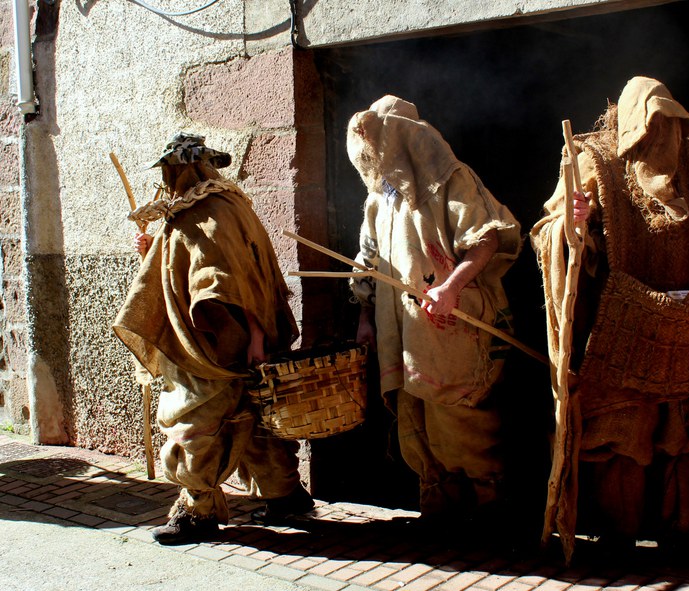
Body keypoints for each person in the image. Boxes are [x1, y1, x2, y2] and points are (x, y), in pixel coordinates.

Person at [530, 77, 689, 559]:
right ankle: (618, 539)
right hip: (625, 332)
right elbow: (548, 232)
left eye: (671, 127)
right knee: (620, 435)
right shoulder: (596, 164)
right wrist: (573, 226)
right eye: (651, 128)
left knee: (686, 433)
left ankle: (684, 536)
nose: (662, 139)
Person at [113, 133, 313, 545]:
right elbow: (186, 268)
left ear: (181, 169)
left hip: (214, 347)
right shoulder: (220, 205)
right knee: (256, 419)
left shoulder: (208, 210)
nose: (168, 179)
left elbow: (233, 280)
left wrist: (254, 337)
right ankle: (286, 496)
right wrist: (153, 249)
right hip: (229, 341)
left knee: (193, 424)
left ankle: (195, 513)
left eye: (171, 170)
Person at [346, 95, 523, 536]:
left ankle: (490, 508)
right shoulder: (379, 198)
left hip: (451, 319)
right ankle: (439, 502)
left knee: (460, 412)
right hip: (400, 328)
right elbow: (367, 261)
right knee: (414, 410)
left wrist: (450, 287)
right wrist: (365, 317)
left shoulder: (451, 179)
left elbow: (486, 239)